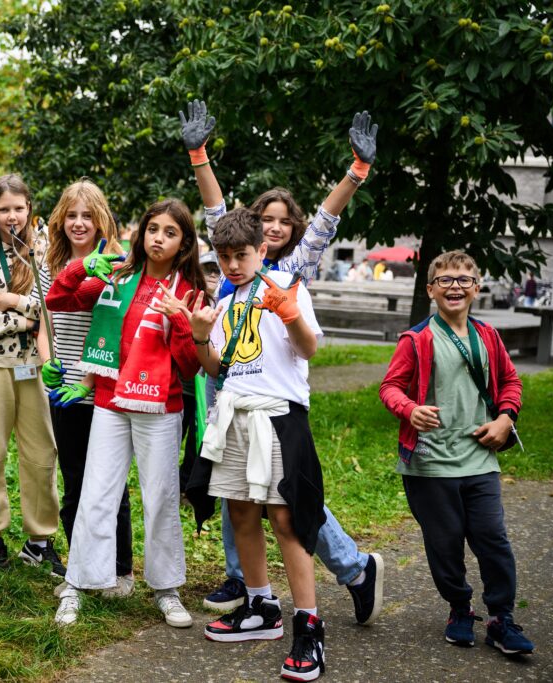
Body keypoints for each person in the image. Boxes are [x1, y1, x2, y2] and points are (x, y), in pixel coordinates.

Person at [179, 99, 385, 624]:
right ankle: (249, 585)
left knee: (286, 500)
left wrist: (356, 171)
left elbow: (325, 221)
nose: (271, 228)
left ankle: (349, 570)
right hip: (226, 380)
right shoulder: (231, 266)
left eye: (280, 222)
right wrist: (199, 155)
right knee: (237, 495)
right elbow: (217, 212)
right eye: (262, 220)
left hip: (274, 388)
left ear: (289, 231)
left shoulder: (290, 271)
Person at [165, 206, 327, 680]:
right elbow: (220, 367)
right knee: (239, 511)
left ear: (262, 249)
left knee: (285, 518)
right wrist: (198, 339)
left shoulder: (286, 286)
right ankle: (261, 606)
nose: (233, 264)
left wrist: (291, 315)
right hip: (234, 414)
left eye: (241, 255)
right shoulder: (227, 296)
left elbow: (307, 348)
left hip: (277, 418)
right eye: (224, 257)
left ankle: (309, 627)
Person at [47, 198, 206, 629]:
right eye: (153, 229)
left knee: (161, 499)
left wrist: (184, 325)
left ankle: (166, 589)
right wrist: (84, 266)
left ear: (183, 243)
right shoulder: (118, 276)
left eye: (170, 233)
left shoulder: (190, 293)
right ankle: (79, 583)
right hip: (110, 403)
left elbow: (191, 368)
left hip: (162, 407)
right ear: (141, 234)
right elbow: (58, 297)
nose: (158, 238)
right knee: (96, 493)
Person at [380, 250, 534, 656]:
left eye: (464, 280)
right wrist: (409, 409)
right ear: (430, 289)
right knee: (444, 544)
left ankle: (501, 618)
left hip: (480, 459)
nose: (455, 287)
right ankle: (460, 608)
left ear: (477, 288)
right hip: (430, 466)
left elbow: (510, 382)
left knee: (494, 541)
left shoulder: (488, 337)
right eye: (445, 280)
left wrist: (505, 419)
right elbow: (390, 387)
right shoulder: (417, 340)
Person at [38, 179, 136, 598]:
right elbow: (45, 320)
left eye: (87, 216)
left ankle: (119, 569)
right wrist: (47, 364)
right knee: (75, 477)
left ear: (102, 221)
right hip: (64, 389)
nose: (79, 224)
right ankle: (81, 566)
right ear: (61, 220)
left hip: (102, 386)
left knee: (111, 479)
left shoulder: (118, 263)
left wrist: (91, 378)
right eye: (72, 215)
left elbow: (119, 330)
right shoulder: (51, 263)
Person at [0, 174, 63, 575]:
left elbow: (53, 306)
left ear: (29, 210)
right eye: (4, 209)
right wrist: (25, 320)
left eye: (19, 208)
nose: (12, 216)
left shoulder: (42, 251)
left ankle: (40, 539)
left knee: (42, 451)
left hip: (33, 367)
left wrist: (13, 301)